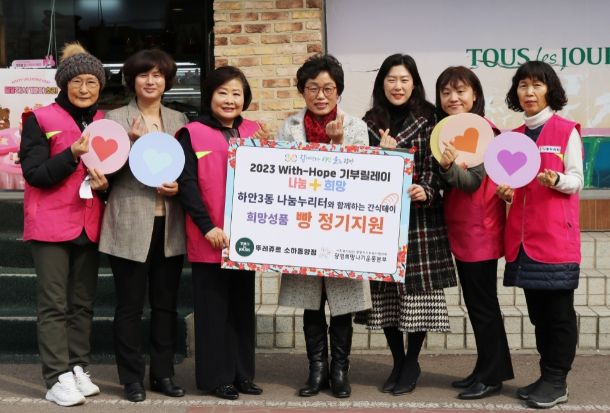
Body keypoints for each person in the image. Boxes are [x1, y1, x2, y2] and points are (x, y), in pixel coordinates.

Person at [355, 54, 456, 395]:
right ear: (381, 84)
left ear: (414, 84)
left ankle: (411, 362)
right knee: (386, 298)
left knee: (417, 299)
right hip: (382, 225)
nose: (397, 86)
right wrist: (383, 157)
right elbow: (360, 175)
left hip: (420, 223)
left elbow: (439, 168)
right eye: (391, 80)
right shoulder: (369, 123)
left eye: (404, 80)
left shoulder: (431, 119)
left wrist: (426, 189)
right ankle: (397, 361)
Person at [277, 54, 372, 399]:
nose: (320, 95)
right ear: (302, 91)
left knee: (342, 303)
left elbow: (362, 178)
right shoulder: (289, 126)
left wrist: (337, 144)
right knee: (311, 303)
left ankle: (340, 370)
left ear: (338, 91)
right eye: (313, 88)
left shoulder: (356, 126)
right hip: (303, 229)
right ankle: (316, 369)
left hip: (342, 228)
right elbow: (281, 174)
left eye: (328, 88)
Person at [19, 42, 108, 407]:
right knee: (54, 304)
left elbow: (112, 172)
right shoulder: (40, 119)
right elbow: (34, 174)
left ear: (100, 86)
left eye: (91, 82)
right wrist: (71, 155)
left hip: (89, 222)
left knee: (82, 303)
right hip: (50, 224)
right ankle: (56, 377)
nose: (84, 89)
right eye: (77, 82)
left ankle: (77, 367)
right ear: (64, 83)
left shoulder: (105, 122)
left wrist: (106, 185)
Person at [98, 49, 188, 403]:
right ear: (131, 80)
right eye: (143, 74)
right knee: (130, 306)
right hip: (129, 221)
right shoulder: (114, 119)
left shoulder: (179, 119)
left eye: (158, 75)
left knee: (166, 305)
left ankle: (163, 374)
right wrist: (131, 146)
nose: (151, 81)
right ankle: (131, 378)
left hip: (169, 223)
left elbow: (188, 170)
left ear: (167, 81)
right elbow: (103, 174)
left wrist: (180, 187)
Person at [497, 60, 583, 409]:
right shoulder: (514, 137)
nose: (529, 92)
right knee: (538, 315)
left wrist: (557, 179)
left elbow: (577, 179)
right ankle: (547, 375)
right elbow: (516, 186)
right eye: (523, 85)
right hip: (524, 242)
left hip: (556, 240)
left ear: (550, 90)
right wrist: (507, 194)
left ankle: (558, 380)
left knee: (558, 315)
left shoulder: (566, 131)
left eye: (537, 85)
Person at [177, 66, 263, 401]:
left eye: (236, 93)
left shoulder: (255, 131)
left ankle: (243, 374)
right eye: (222, 92)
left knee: (242, 310)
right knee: (213, 312)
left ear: (245, 98)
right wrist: (207, 226)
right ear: (210, 96)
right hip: (209, 236)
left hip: (246, 238)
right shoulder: (192, 133)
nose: (230, 100)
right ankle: (217, 378)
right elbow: (187, 184)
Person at [435, 66, 513, 399]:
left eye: (460, 91)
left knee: (483, 306)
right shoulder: (449, 131)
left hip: (480, 231)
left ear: (475, 95)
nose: (453, 98)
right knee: (478, 304)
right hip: (465, 231)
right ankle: (486, 369)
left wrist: (447, 167)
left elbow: (470, 183)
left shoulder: (483, 132)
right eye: (446, 93)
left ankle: (492, 376)